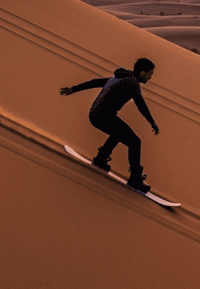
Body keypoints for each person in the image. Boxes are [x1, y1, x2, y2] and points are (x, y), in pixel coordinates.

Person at [60, 58, 159, 192]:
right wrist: (152, 121)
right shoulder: (132, 82)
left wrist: (73, 89)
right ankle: (135, 179)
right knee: (135, 142)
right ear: (142, 72)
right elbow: (140, 103)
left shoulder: (121, 77)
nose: (150, 77)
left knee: (118, 132)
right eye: (150, 73)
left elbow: (95, 82)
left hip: (96, 115)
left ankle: (101, 159)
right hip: (103, 117)